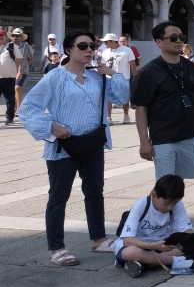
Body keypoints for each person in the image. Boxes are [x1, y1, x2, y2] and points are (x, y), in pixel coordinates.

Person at [19, 31, 130, 266]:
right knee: (59, 195)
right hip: (64, 145)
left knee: (94, 191)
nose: (89, 50)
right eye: (83, 46)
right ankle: (57, 247)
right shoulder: (56, 77)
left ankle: (98, 238)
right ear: (68, 50)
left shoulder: (97, 77)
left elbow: (122, 96)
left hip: (92, 142)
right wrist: (51, 126)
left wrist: (112, 74)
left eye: (92, 45)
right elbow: (28, 108)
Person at [131, 22, 194, 179]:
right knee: (165, 184)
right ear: (159, 42)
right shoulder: (148, 72)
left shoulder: (192, 68)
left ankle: (173, 204)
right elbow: (141, 109)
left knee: (179, 182)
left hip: (190, 135)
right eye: (173, 38)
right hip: (163, 137)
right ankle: (147, 205)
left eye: (181, 37)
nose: (179, 41)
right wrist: (144, 142)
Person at [114, 174, 194, 277]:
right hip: (139, 245)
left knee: (190, 243)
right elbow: (127, 240)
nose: (170, 207)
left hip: (162, 245)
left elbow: (185, 229)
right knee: (130, 253)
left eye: (174, 203)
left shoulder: (176, 204)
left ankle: (146, 263)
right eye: (166, 203)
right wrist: (151, 246)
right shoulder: (142, 204)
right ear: (154, 195)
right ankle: (178, 261)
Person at [100, 32, 135, 124]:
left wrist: (134, 76)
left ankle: (126, 115)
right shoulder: (105, 52)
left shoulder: (127, 50)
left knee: (124, 97)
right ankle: (109, 117)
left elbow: (132, 64)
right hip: (108, 78)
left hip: (123, 77)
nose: (105, 44)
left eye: (106, 42)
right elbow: (103, 65)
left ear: (113, 41)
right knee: (108, 98)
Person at [0, 27, 23, 125]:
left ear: (5, 36)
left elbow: (19, 61)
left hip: (9, 77)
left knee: (10, 99)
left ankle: (10, 118)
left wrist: (19, 72)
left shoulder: (12, 46)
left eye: (2, 36)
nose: (0, 38)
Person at [10, 28, 31, 117]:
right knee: (11, 90)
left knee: (17, 88)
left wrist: (26, 66)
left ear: (21, 37)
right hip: (9, 71)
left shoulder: (26, 46)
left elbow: (30, 57)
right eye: (13, 35)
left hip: (22, 71)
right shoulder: (8, 46)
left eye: (17, 36)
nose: (15, 37)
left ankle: (19, 108)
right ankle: (13, 108)